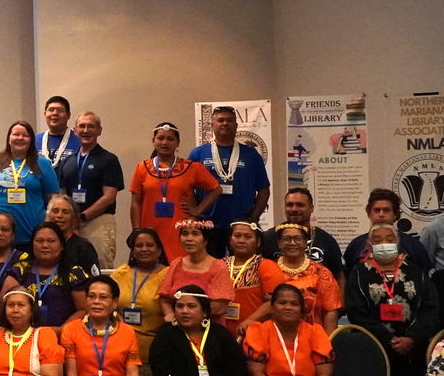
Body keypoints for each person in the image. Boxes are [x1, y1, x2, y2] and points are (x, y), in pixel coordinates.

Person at [344, 223, 438, 376]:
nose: (384, 244)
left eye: (389, 239)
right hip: (375, 347)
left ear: (397, 243)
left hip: (413, 349)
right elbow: (356, 311)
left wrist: (413, 337)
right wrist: (388, 339)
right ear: (369, 245)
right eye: (377, 240)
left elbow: (430, 308)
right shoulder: (359, 274)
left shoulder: (416, 272)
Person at [128, 123, 220, 262]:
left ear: (178, 143)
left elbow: (216, 189)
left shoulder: (191, 167)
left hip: (179, 232)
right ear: (153, 141)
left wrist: (198, 210)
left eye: (170, 139)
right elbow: (135, 202)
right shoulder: (142, 168)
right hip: (150, 230)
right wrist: (137, 232)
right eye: (160, 138)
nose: (165, 142)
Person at [187, 106, 270, 256]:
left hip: (240, 227)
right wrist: (195, 212)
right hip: (207, 225)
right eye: (221, 120)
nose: (225, 123)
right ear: (212, 125)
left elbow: (264, 189)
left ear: (236, 125)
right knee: (210, 270)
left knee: (241, 269)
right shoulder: (198, 153)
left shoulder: (251, 154)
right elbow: (187, 186)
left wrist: (253, 218)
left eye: (230, 120)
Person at [110, 228, 170, 376]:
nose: (144, 249)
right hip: (119, 353)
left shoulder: (168, 275)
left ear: (159, 250)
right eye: (139, 245)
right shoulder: (120, 274)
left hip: (152, 354)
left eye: (150, 245)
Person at [0, 121, 61, 249]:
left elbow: (53, 200)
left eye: (25, 135)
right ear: (9, 138)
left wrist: (47, 228)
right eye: (16, 134)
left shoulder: (42, 163)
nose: (20, 138)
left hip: (33, 236)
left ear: (31, 140)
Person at [55, 112, 126, 269]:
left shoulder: (109, 160)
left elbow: (109, 197)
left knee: (99, 268)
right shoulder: (68, 160)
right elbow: (62, 195)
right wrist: (70, 220)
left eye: (91, 126)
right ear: (74, 130)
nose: (86, 130)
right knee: (69, 267)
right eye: (82, 126)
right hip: (71, 224)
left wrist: (82, 217)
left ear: (99, 130)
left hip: (98, 222)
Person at [4, 222, 87, 329]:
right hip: (24, 336)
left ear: (62, 245)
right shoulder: (20, 269)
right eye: (39, 241)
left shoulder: (74, 273)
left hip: (62, 336)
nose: (45, 245)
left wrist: (61, 330)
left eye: (51, 241)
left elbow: (83, 309)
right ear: (32, 244)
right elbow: (5, 301)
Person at [260, 187, 345, 282]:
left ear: (311, 208)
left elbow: (339, 276)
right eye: (290, 205)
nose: (294, 209)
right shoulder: (269, 237)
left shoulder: (326, 240)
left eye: (300, 205)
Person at [158, 220, 234, 323]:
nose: (189, 239)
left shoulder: (218, 267)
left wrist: (188, 317)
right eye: (185, 234)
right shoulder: (176, 264)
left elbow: (219, 306)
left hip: (208, 328)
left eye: (195, 234)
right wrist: (170, 314)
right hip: (178, 327)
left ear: (206, 239)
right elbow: (164, 298)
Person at [272, 223, 344, 331]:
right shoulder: (269, 271)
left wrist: (328, 343)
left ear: (306, 243)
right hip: (275, 336)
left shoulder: (321, 273)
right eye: (287, 239)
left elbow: (330, 311)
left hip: (314, 338)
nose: (292, 243)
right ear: (279, 243)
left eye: (298, 239)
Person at [341, 188, 433, 271]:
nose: (381, 214)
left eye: (386, 210)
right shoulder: (356, 245)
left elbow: (424, 279)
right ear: (369, 213)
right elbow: (347, 277)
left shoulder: (413, 245)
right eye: (377, 210)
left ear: (396, 214)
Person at [224, 220, 284, 337]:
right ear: (230, 240)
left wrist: (250, 320)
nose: (241, 240)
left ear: (258, 242)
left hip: (255, 332)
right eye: (237, 236)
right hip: (222, 333)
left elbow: (276, 301)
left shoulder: (266, 265)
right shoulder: (219, 265)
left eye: (248, 237)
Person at [44, 194, 100, 277]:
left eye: (65, 212)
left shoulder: (84, 247)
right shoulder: (40, 244)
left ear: (74, 219)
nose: (59, 216)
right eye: (55, 211)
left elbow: (94, 281)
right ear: (47, 216)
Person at [35, 95, 77, 171]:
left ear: (68, 115)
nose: (55, 113)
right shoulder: (35, 140)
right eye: (51, 110)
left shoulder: (78, 139)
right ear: (45, 114)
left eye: (60, 110)